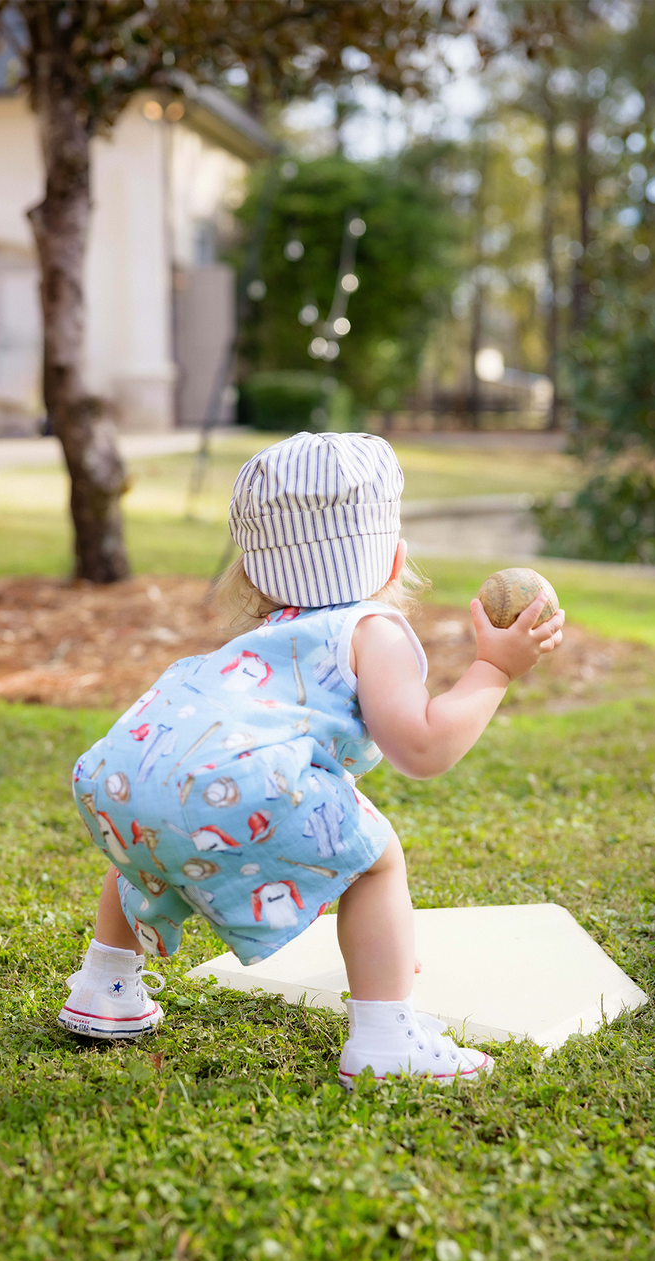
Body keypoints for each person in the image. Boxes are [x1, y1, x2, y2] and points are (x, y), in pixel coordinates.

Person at [60, 432, 564, 1088]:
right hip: (241, 784)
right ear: (393, 557)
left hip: (127, 780)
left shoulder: (262, 638)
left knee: (150, 835)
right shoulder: (369, 631)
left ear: (252, 568)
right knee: (375, 864)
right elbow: (423, 746)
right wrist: (495, 668)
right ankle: (386, 1038)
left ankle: (103, 984)